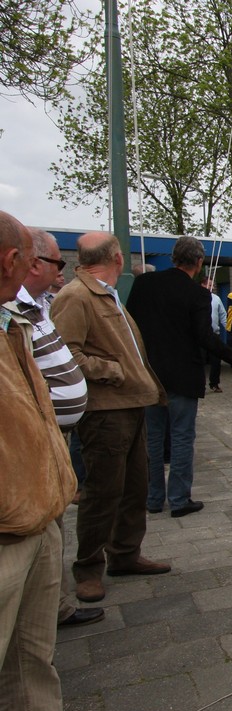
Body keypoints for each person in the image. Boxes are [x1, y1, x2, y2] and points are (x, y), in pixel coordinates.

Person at [0, 213, 112, 711]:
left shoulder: (16, 318)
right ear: (11, 261)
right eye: (29, 258)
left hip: (38, 508)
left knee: (30, 659)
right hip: (7, 522)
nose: (36, 270)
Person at [53, 232, 172, 604]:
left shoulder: (105, 293)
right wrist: (113, 371)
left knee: (135, 487)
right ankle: (88, 569)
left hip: (130, 405)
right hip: (104, 411)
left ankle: (124, 554)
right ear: (117, 258)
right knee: (103, 492)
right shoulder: (75, 296)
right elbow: (65, 355)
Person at [2, 228, 103, 628]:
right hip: (27, 448)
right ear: (23, 262)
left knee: (52, 528)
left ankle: (52, 606)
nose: (62, 271)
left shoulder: (39, 305)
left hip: (50, 437)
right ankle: (46, 608)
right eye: (57, 262)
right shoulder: (16, 310)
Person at [126, 236, 232, 518]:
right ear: (199, 262)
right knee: (181, 437)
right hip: (183, 376)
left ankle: (154, 498)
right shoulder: (198, 295)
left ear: (173, 257)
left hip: (149, 374)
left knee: (153, 438)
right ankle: (179, 499)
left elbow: (129, 324)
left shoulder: (143, 284)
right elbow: (205, 337)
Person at [205, 277, 227, 392]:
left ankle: (214, 384)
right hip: (200, 334)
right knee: (200, 361)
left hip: (214, 334)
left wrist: (228, 328)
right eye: (209, 285)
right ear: (203, 285)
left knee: (216, 361)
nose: (212, 287)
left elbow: (223, 315)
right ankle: (199, 384)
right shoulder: (197, 297)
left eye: (213, 285)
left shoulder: (216, 299)